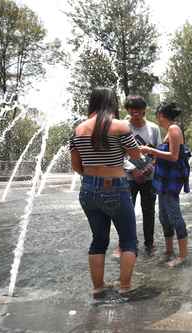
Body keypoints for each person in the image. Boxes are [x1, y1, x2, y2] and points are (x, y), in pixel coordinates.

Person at [70, 87, 145, 300]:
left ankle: (98, 288)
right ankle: (124, 286)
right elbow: (136, 156)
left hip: (88, 189)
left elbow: (76, 166)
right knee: (129, 240)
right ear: (112, 103)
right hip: (115, 186)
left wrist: (94, 175)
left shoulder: (78, 129)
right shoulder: (120, 126)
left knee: (98, 240)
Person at [140, 102, 191, 268]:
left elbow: (174, 156)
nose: (157, 118)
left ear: (161, 115)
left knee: (174, 215)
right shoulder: (170, 130)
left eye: (157, 115)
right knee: (163, 216)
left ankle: (183, 255)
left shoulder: (174, 129)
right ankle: (169, 250)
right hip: (164, 179)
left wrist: (151, 151)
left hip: (171, 180)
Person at [122, 95, 161, 256]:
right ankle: (129, 243)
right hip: (128, 178)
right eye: (131, 109)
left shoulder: (153, 128)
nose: (134, 112)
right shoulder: (123, 127)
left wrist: (149, 168)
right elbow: (119, 153)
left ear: (144, 110)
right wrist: (133, 170)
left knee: (149, 211)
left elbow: (158, 151)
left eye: (137, 109)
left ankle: (149, 244)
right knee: (126, 212)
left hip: (148, 177)